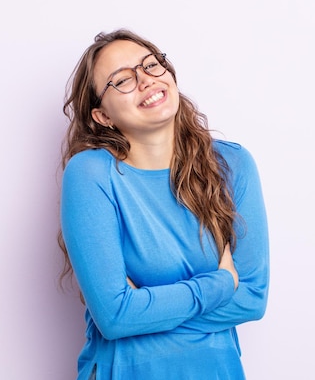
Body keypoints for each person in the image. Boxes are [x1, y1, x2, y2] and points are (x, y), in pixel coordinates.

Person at [59, 28, 269, 380]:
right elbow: (114, 317)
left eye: (151, 65)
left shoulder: (231, 166)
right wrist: (218, 283)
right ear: (102, 116)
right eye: (122, 80)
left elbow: (251, 298)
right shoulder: (91, 174)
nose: (145, 80)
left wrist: (144, 311)